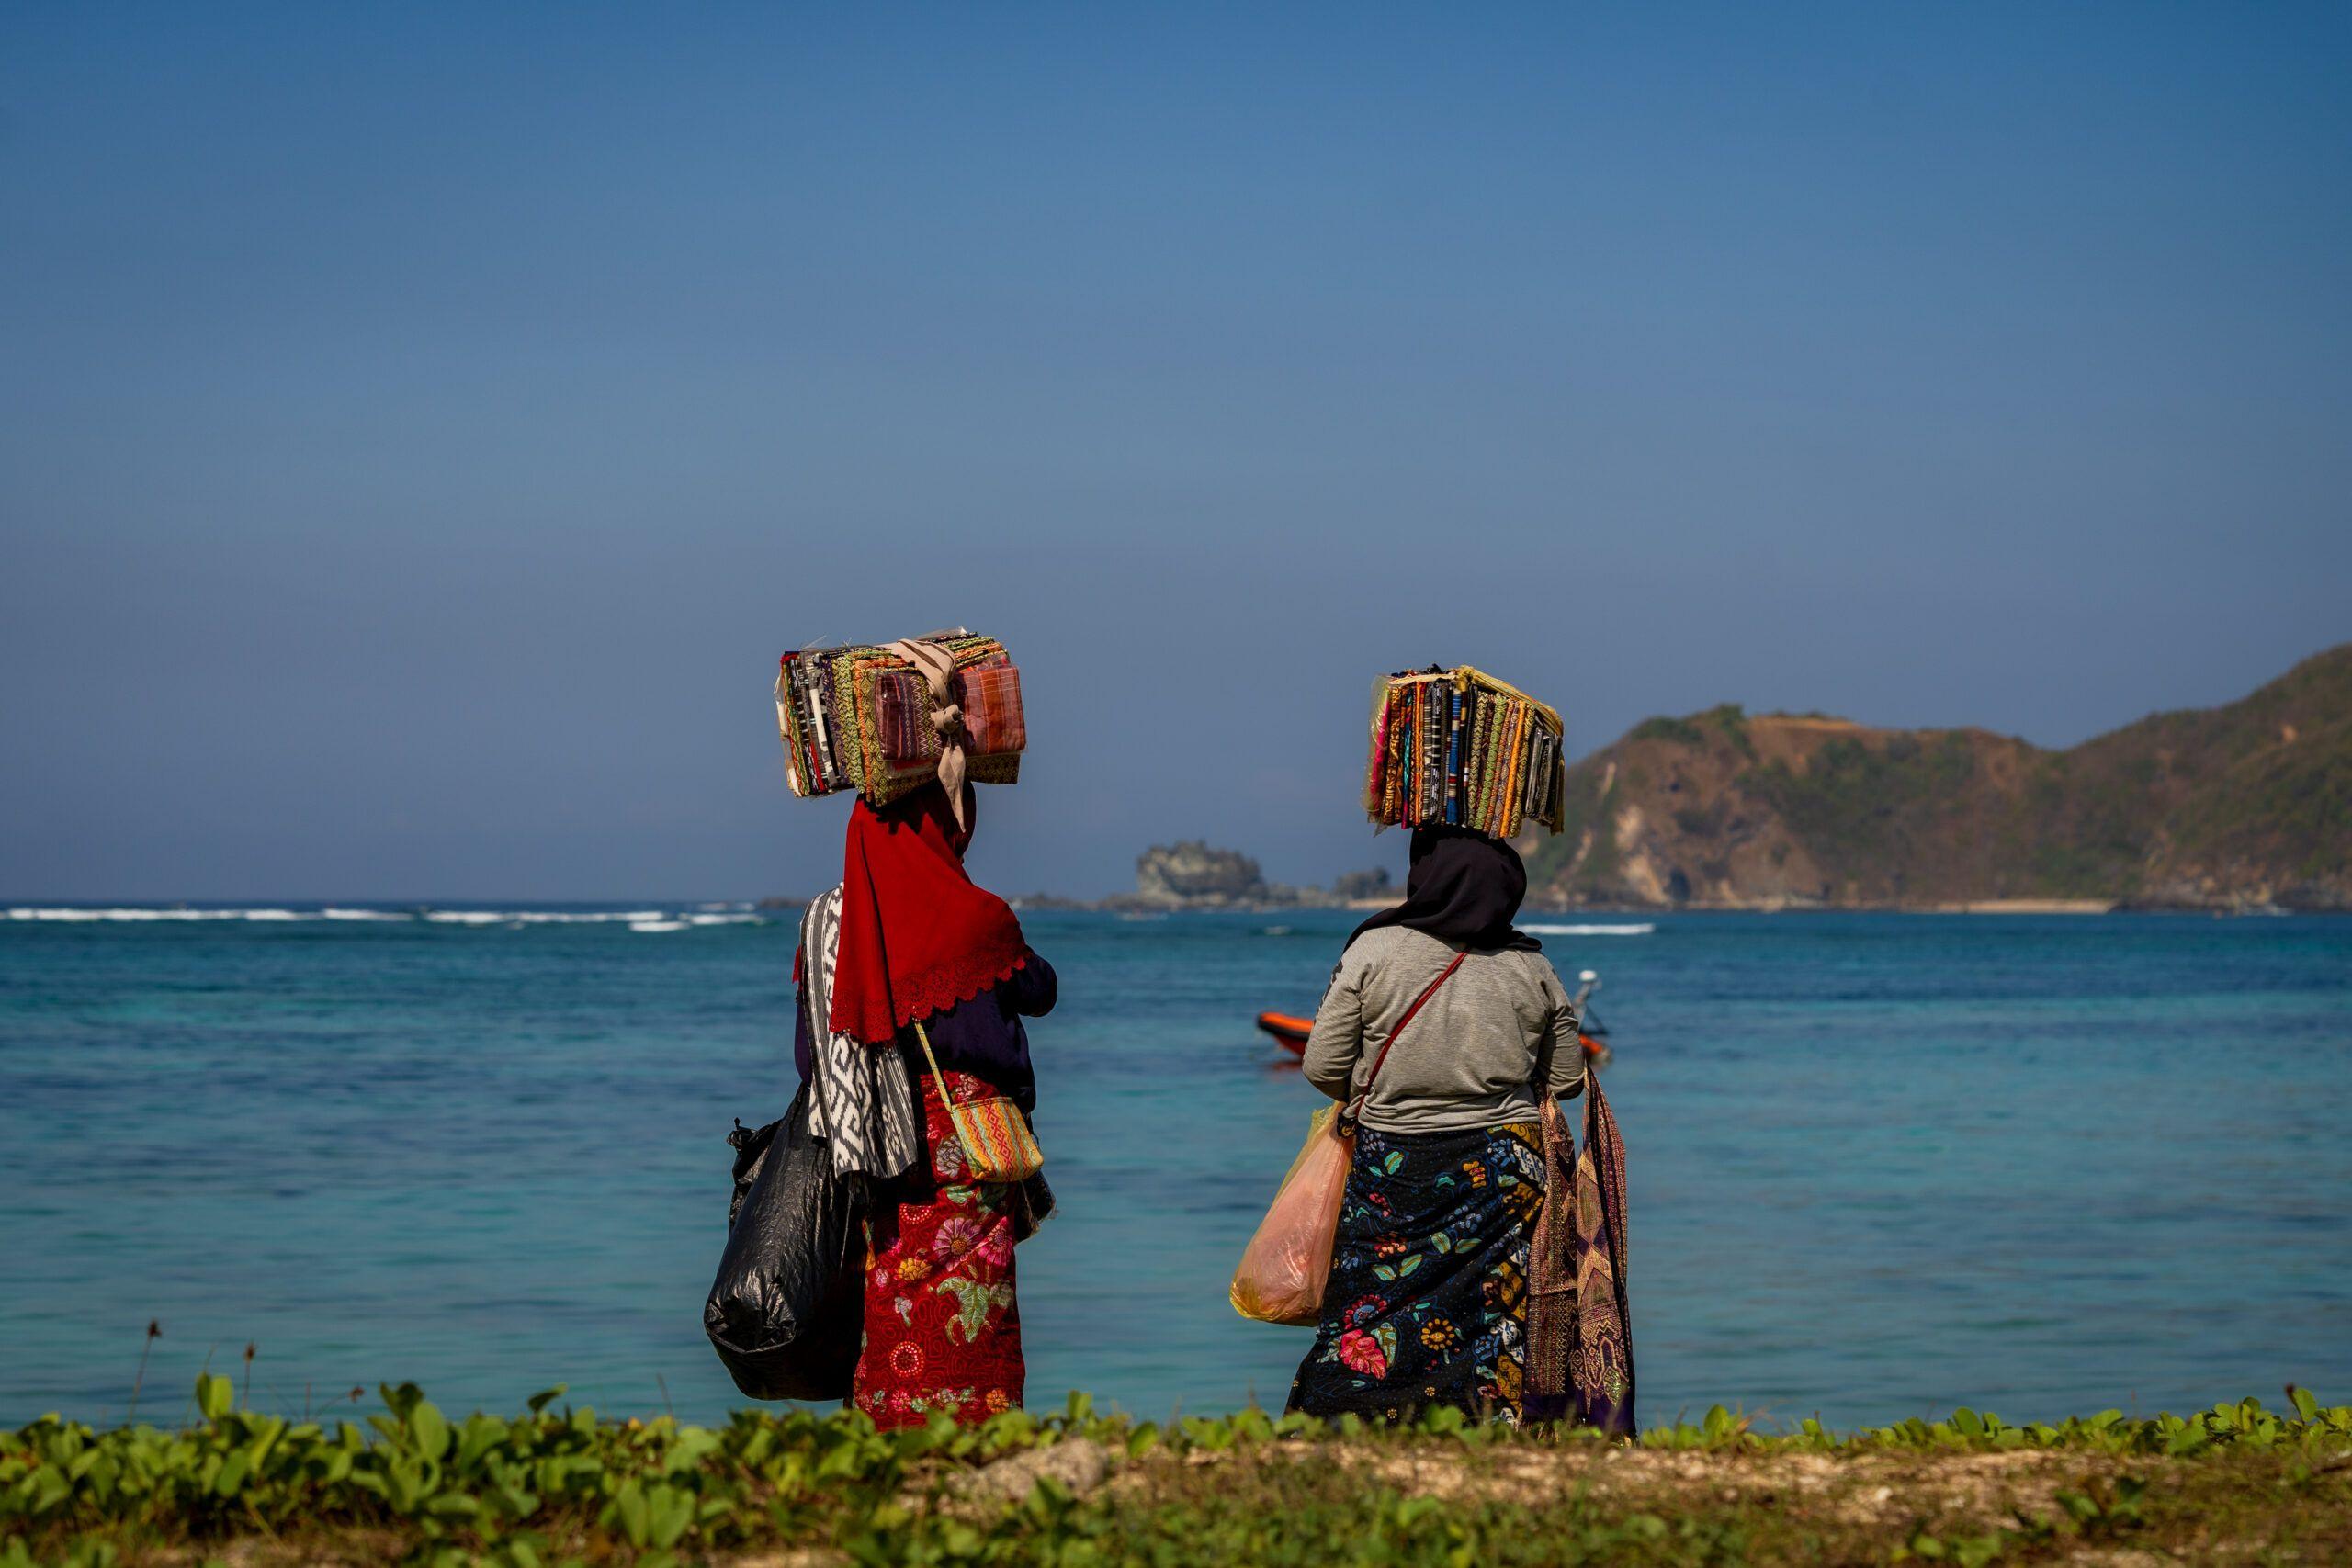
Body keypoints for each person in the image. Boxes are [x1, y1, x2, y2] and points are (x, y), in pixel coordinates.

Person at [1287, 824, 1585, 1427]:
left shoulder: (1373, 951)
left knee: (1371, 1309)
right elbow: (1569, 1079)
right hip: (1505, 1174)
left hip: (1393, 1167)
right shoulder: (1532, 965)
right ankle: (1489, 1424)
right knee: (1496, 1314)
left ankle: (1347, 1421)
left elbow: (1321, 1066)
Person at [791, 780, 1055, 1430]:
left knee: (886, 1302)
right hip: (967, 1146)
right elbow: (1041, 989)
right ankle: (980, 1440)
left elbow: (809, 1058)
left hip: (875, 1152)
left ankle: (888, 1439)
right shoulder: (975, 916)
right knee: (975, 1315)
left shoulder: (828, 922)